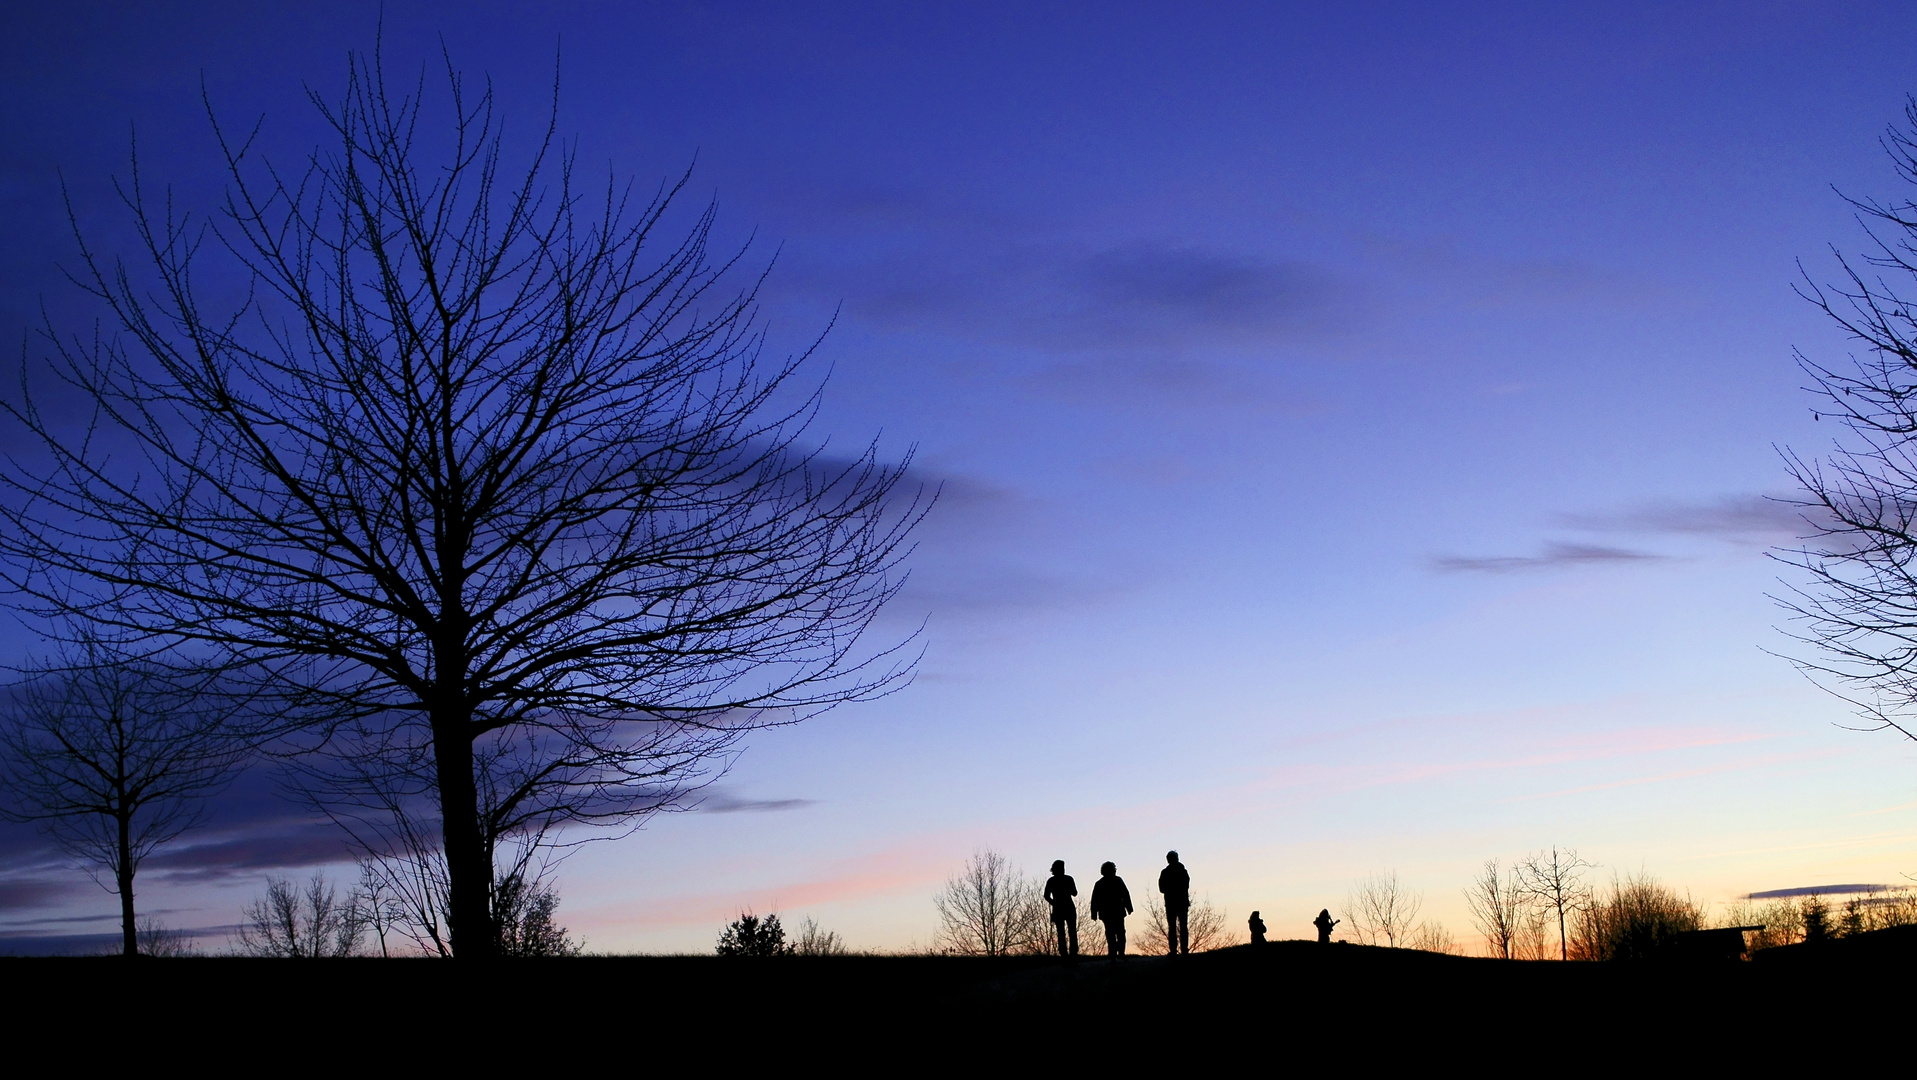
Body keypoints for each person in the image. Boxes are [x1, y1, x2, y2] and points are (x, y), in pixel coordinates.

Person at [1088, 861, 1133, 959]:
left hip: (1112, 911)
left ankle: (1117, 953)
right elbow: (1095, 899)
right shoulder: (1108, 882)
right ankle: (1117, 953)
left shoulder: (1102, 883)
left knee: (1114, 933)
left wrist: (1129, 907)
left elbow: (1125, 894)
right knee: (1116, 932)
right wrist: (1094, 913)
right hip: (1112, 911)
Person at [1158, 850, 1191, 955]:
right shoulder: (1182, 871)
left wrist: (1170, 889)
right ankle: (1184, 949)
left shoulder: (1165, 872)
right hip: (1181, 902)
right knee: (1182, 926)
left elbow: (1162, 888)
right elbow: (1186, 885)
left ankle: (1174, 950)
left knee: (1172, 927)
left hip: (1171, 902)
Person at [1043, 859, 1078, 957]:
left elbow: (1046, 895)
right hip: (1066, 907)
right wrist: (1054, 903)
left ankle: (1067, 953)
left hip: (1061, 908)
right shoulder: (1067, 879)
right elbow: (1075, 893)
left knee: (1063, 932)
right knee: (1069, 931)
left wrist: (1054, 903)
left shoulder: (1052, 881)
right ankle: (1070, 953)